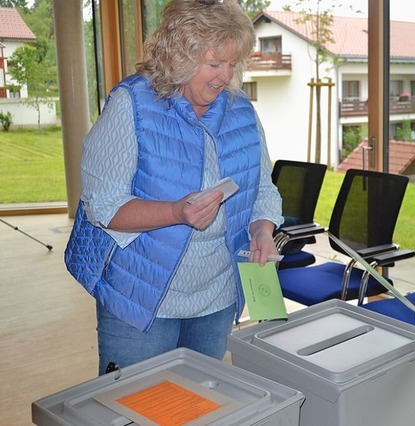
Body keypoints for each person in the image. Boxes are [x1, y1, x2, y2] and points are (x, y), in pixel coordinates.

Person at [64, 0, 282, 375]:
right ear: (180, 57)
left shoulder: (242, 111)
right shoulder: (131, 104)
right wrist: (175, 212)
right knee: (134, 406)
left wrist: (262, 229)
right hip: (142, 292)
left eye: (233, 64)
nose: (225, 76)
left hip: (215, 293)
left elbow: (262, 188)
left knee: (197, 404)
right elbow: (102, 207)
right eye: (215, 64)